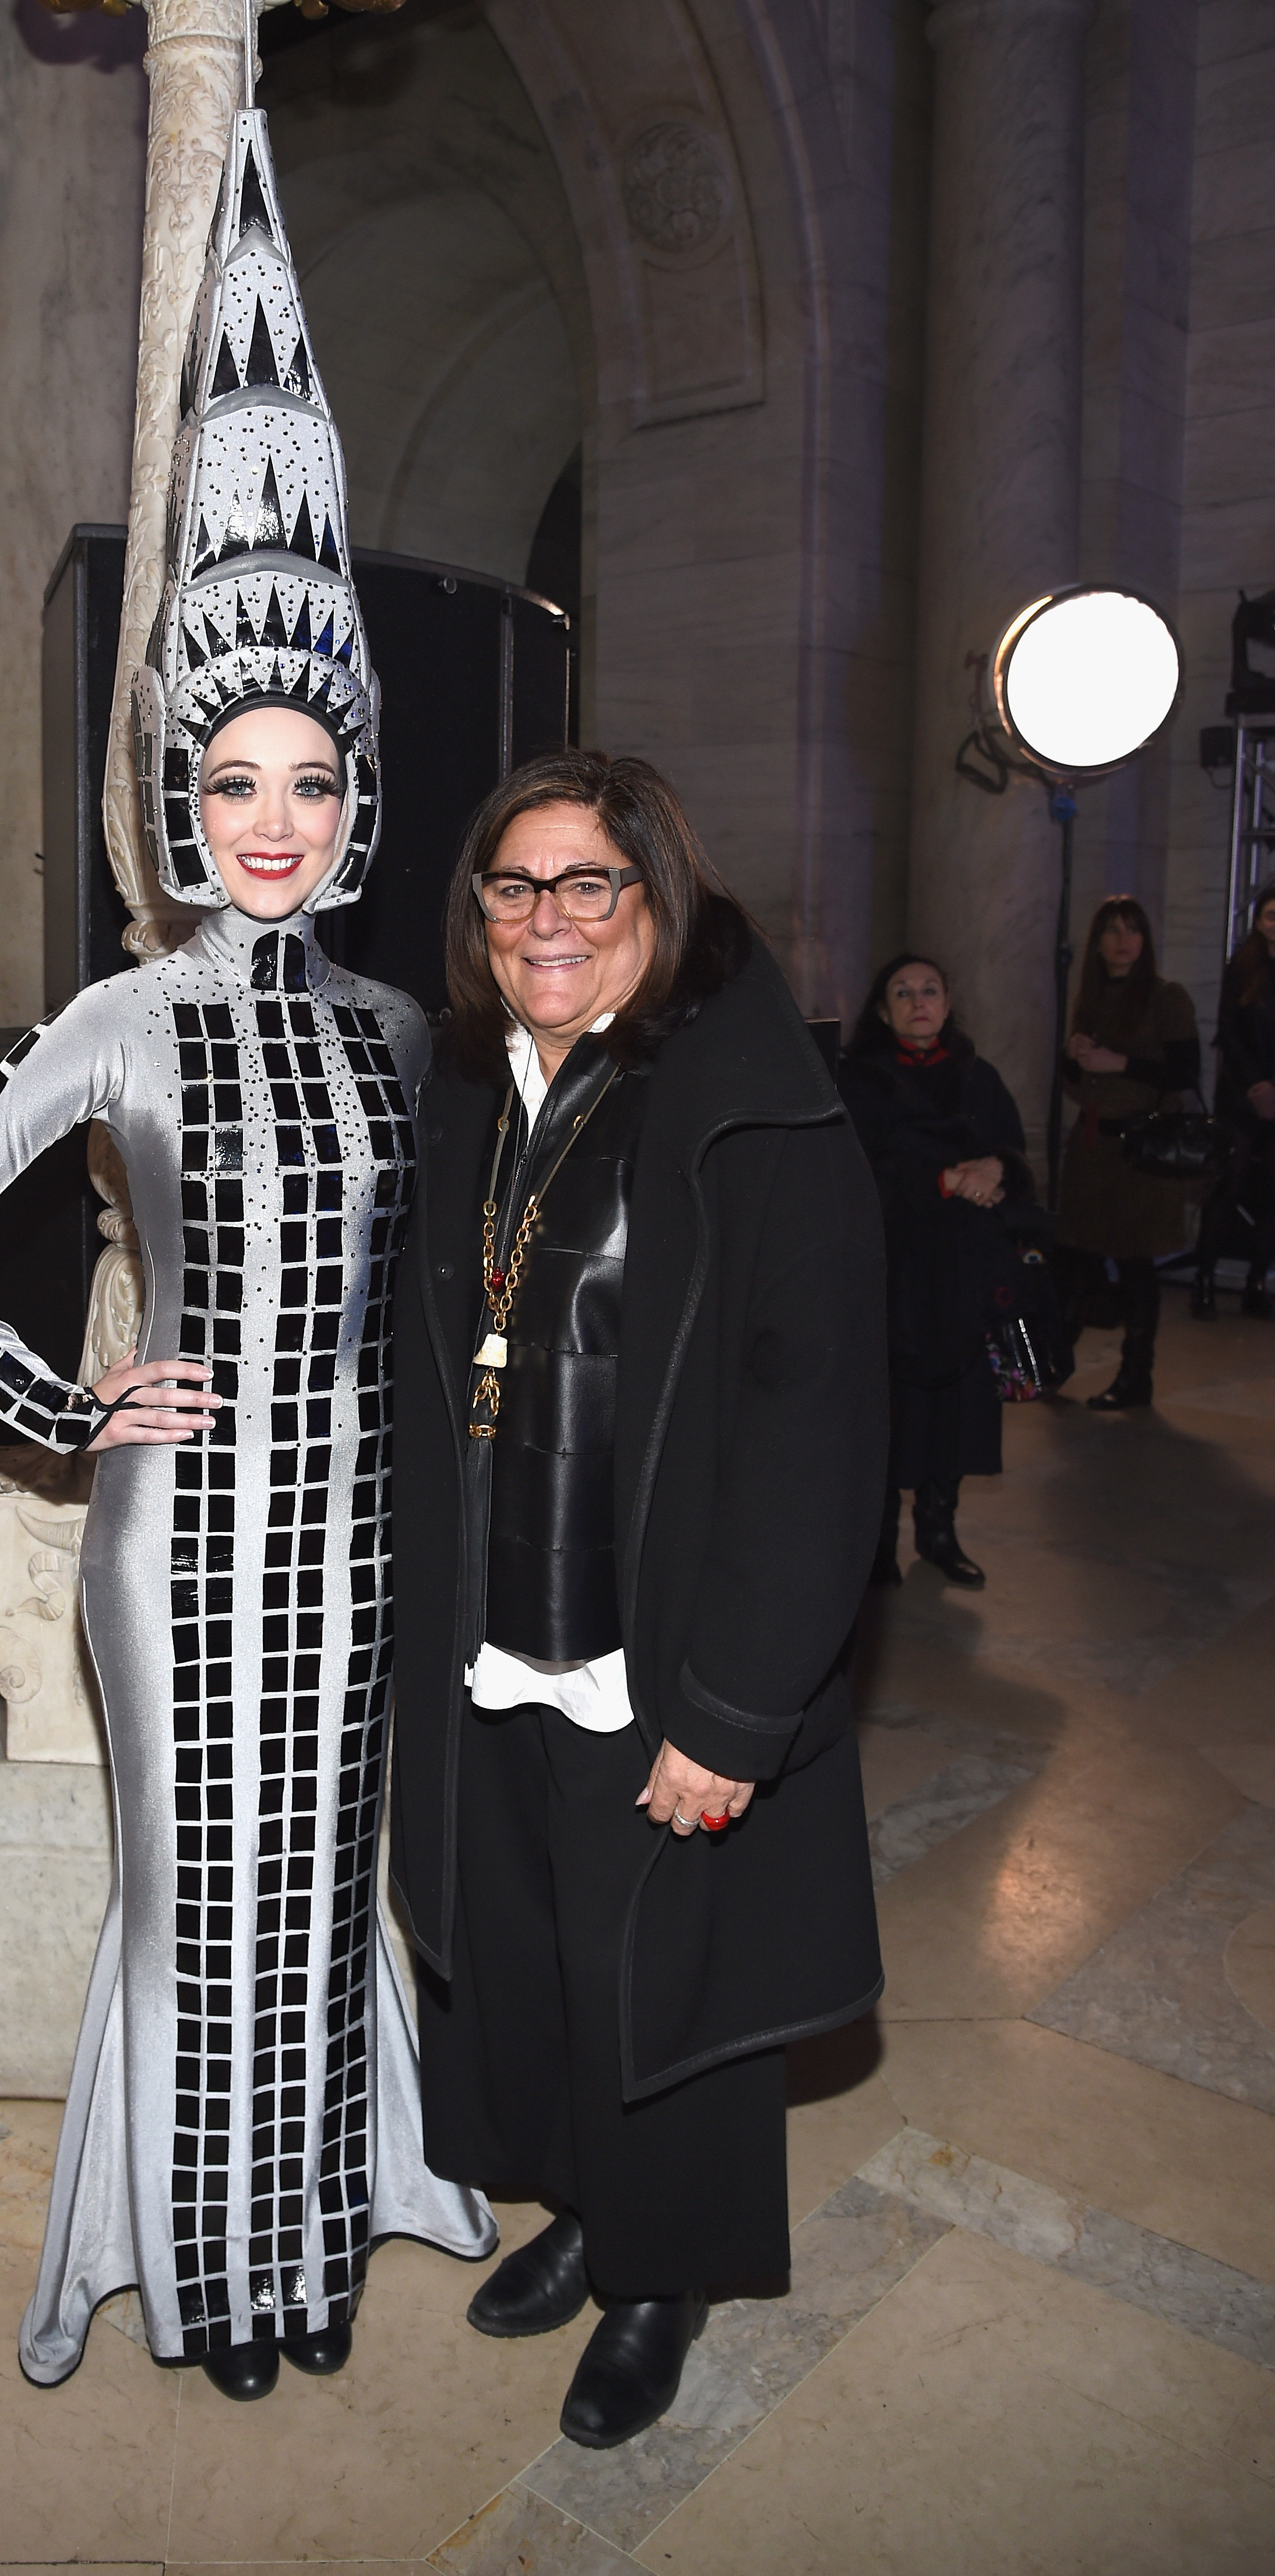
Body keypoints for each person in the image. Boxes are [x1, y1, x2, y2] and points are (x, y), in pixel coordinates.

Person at [0, 107, 492, 2405]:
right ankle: (206, 2279)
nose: (273, 818)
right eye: (235, 781)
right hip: (175, 1520)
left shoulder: (408, 1026)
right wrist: (59, 1404)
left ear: (356, 795)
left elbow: (460, 1281)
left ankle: (312, 2251)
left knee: (322, 1892)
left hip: (360, 1522)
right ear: (180, 797)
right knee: (192, 1892)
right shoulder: (118, 1016)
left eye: (309, 781)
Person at [388, 749, 887, 2452]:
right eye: (513, 885)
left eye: (586, 883)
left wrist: (736, 1705)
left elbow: (814, 1429)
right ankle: (593, 2210)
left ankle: (663, 2275)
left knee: (668, 1977)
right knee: (538, 1960)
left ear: (653, 902)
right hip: (488, 1644)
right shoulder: (466, 1091)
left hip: (655, 1656)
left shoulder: (752, 1108)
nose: (548, 919)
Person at [837, 955, 1034, 1589]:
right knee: (890, 1409)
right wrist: (938, 1181)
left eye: (929, 991)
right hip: (895, 1271)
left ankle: (939, 1530)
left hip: (963, 1269)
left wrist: (997, 1169)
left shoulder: (978, 1076)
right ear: (882, 1010)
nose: (918, 1002)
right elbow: (849, 1176)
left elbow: (1012, 1150)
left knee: (956, 1407)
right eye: (903, 992)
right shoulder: (858, 1079)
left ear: (947, 1004)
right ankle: (877, 1544)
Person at [1055, 897, 1199, 1410]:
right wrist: (1072, 1058)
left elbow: (1185, 1072)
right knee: (1074, 1256)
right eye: (1112, 930)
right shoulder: (1090, 997)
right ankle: (1052, 1364)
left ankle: (1136, 1375)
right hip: (1091, 1143)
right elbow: (1075, 1082)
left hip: (1140, 1148)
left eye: (1133, 929)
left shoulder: (1166, 996)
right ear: (1097, 942)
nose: (1123, 940)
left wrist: (1120, 1062)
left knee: (1134, 1262)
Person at [1192, 878, 1275, 1320]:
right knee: (1227, 1187)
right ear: (1258, 922)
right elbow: (1228, 1032)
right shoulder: (1241, 967)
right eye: (1271, 916)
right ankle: (1204, 1279)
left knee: (1272, 1196)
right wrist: (1257, 1085)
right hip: (1241, 1096)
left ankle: (1256, 1283)